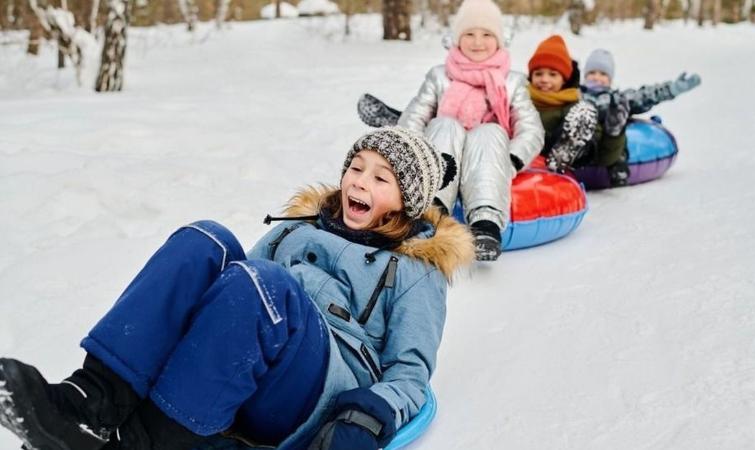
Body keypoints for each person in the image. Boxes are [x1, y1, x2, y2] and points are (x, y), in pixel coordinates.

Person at [0, 126, 475, 450]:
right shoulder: (297, 227)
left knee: (267, 285)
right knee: (205, 241)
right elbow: (234, 296)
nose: (359, 181)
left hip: (320, 388)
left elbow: (411, 375)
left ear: (407, 201)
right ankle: (93, 402)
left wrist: (369, 414)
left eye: (381, 177)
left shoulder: (416, 268)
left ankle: (149, 439)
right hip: (260, 358)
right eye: (356, 166)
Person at [397, 0, 543, 262]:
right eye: (469, 34)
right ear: (456, 39)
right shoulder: (440, 76)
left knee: (489, 131)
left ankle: (485, 223)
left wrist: (510, 160)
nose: (478, 42)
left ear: (498, 40)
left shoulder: (512, 82)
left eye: (487, 34)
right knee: (444, 124)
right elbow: (414, 118)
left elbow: (531, 129)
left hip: (488, 158)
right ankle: (430, 213)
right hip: (444, 155)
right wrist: (415, 157)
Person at [580, 48, 702, 186]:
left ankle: (617, 167)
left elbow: (645, 96)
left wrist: (672, 89)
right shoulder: (577, 96)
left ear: (610, 79)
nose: (597, 77)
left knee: (618, 124)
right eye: (592, 73)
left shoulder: (617, 98)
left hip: (611, 138)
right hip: (584, 139)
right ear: (584, 76)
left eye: (603, 74)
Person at [525, 34, 599, 176]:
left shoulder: (571, 105)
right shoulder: (522, 99)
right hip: (525, 151)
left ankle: (565, 153)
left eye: (553, 75)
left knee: (580, 118)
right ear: (531, 76)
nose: (544, 80)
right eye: (538, 74)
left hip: (554, 152)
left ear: (564, 79)